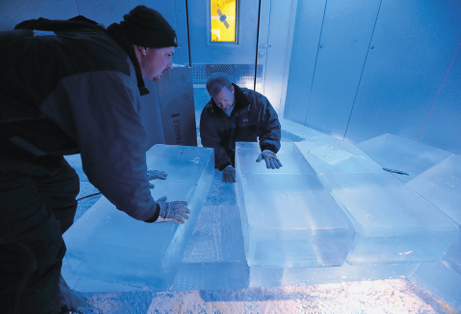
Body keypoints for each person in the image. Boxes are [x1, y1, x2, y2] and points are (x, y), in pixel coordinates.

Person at [0, 6, 189, 314]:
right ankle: (33, 298)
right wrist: (153, 211)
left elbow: (34, 23)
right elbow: (116, 159)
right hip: (7, 146)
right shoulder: (110, 74)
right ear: (143, 48)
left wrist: (136, 173)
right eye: (167, 55)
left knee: (61, 186)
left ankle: (50, 285)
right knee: (35, 246)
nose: (170, 64)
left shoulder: (100, 39)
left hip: (18, 132)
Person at [200, 73, 282, 183]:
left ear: (232, 89)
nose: (223, 106)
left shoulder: (256, 102)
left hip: (250, 156)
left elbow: (270, 125)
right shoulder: (209, 114)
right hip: (223, 160)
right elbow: (210, 142)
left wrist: (268, 148)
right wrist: (224, 165)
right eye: (218, 102)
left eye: (225, 99)